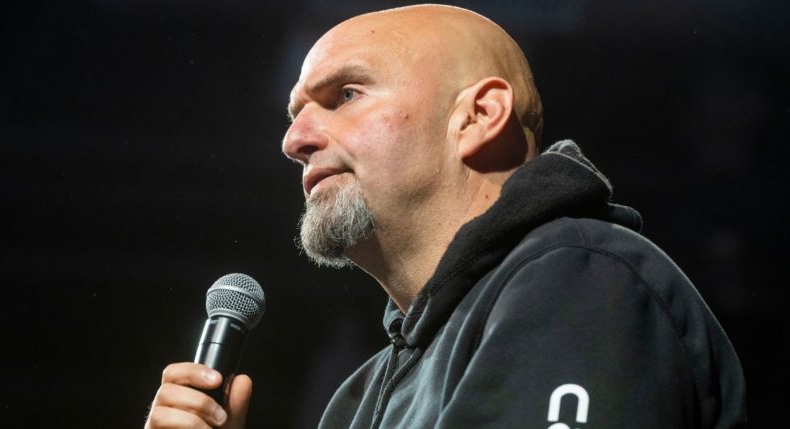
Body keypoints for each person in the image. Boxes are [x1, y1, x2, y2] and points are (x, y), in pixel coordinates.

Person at [145, 4, 746, 428]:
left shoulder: (576, 280)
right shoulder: (359, 396)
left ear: (479, 116)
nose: (295, 139)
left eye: (345, 96)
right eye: (296, 113)